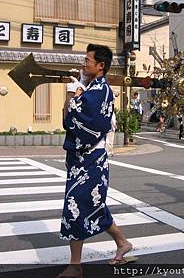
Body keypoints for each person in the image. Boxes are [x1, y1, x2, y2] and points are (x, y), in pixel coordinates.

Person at [59, 44, 133, 278]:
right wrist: (77, 92)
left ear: (100, 66)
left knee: (75, 205)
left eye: (88, 60)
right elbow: (69, 117)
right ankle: (122, 243)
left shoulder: (99, 91)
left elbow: (70, 119)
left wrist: (73, 93)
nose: (84, 63)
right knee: (92, 205)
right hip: (83, 158)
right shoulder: (91, 89)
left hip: (92, 157)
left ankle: (75, 265)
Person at [106, 89, 119, 156]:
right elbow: (112, 117)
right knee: (109, 139)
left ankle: (109, 151)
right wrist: (114, 124)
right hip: (110, 125)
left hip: (110, 124)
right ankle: (109, 152)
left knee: (109, 139)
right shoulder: (110, 106)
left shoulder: (109, 106)